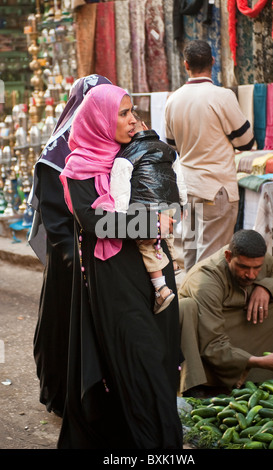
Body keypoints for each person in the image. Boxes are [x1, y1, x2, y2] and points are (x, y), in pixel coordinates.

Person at [57, 84, 183, 449]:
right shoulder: (78, 169)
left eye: (132, 112)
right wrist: (150, 224)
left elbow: (169, 199)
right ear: (100, 119)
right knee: (141, 361)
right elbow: (95, 223)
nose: (132, 120)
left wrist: (170, 215)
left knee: (161, 359)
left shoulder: (133, 154)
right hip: (116, 279)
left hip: (155, 272)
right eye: (123, 113)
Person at [28, 74, 112, 417]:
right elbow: (54, 214)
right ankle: (63, 395)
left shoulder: (106, 140)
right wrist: (74, 259)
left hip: (103, 254)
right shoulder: (57, 153)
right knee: (65, 323)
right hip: (71, 259)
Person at [165, 39, 255, 272]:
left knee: (191, 254)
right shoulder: (222, 96)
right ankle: (203, 305)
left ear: (186, 65)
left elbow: (171, 145)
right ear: (213, 62)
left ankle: (191, 304)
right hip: (216, 190)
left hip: (188, 187)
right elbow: (246, 142)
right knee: (211, 260)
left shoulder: (172, 100)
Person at [178, 229, 273, 397]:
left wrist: (266, 287)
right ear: (228, 256)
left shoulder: (263, 260)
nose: (251, 275)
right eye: (243, 267)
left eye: (257, 268)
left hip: (235, 324)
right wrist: (257, 362)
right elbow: (212, 343)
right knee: (185, 306)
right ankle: (199, 387)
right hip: (206, 337)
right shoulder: (206, 280)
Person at [110, 114, 187, 314]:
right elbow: (180, 179)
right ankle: (174, 263)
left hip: (146, 206)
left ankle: (160, 288)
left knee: (148, 245)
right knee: (167, 236)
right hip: (169, 202)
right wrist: (183, 203)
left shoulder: (126, 154)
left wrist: (120, 214)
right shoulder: (167, 149)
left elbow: (121, 187)